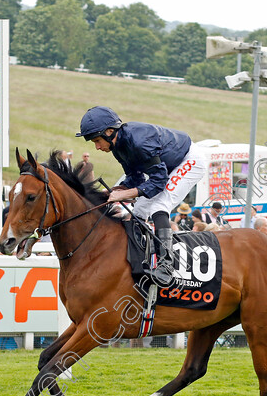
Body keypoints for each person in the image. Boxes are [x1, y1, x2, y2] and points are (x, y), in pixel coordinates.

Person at [76, 106, 207, 285]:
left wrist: (124, 194)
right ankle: (135, 260)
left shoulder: (139, 142)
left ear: (109, 131)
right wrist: (115, 191)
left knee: (159, 206)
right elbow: (135, 178)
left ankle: (166, 265)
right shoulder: (118, 147)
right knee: (138, 211)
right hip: (167, 166)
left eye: (98, 141)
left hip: (189, 159)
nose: (97, 147)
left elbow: (159, 181)